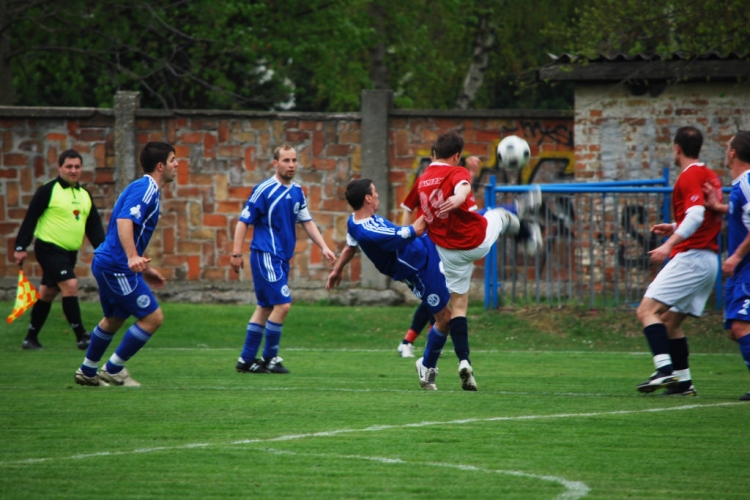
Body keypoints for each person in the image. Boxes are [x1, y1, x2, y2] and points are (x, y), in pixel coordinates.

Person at [401, 131, 542, 391]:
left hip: (448, 252)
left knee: (457, 308)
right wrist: (458, 195)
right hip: (473, 242)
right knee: (498, 215)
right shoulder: (457, 172)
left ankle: (461, 361)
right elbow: (463, 186)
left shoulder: (422, 181)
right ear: (456, 156)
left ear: (434, 154)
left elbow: (415, 211)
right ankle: (527, 234)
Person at [326, 179, 465, 390]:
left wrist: (337, 270)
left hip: (424, 248)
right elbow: (415, 229)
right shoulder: (369, 232)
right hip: (418, 271)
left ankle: (500, 216)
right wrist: (435, 205)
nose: (378, 195)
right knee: (445, 318)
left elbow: (350, 246)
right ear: (368, 198)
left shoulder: (354, 222)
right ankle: (426, 367)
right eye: (375, 191)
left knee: (458, 229)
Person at [74, 141, 178, 387]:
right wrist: (132, 258)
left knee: (114, 318)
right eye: (174, 160)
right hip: (117, 265)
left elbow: (129, 227)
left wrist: (144, 266)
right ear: (161, 166)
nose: (178, 165)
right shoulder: (146, 189)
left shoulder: (144, 188)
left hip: (108, 262)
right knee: (153, 317)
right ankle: (113, 369)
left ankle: (88, 372)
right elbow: (124, 221)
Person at [231, 144, 336, 374]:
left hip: (281, 258)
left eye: (294, 160)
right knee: (283, 305)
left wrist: (325, 247)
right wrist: (236, 253)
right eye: (286, 160)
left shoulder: (297, 191)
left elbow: (307, 221)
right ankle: (270, 358)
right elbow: (243, 221)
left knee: (266, 306)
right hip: (266, 254)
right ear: (275, 163)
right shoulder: (264, 190)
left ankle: (246, 360)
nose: (291, 165)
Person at [634, 126, 722, 396]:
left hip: (692, 257)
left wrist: (669, 244)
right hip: (708, 260)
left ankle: (664, 370)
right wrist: (674, 227)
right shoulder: (710, 175)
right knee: (671, 322)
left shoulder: (690, 176)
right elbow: (703, 216)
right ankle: (684, 383)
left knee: (646, 311)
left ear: (677, 148)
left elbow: (695, 216)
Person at [13, 149, 105, 351]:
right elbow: (31, 218)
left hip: (69, 254)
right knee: (71, 285)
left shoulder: (84, 195)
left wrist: (106, 252)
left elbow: (95, 229)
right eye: (69, 166)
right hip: (48, 249)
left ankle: (31, 338)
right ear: (60, 168)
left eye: (77, 167)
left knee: (46, 293)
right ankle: (81, 336)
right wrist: (21, 247)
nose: (73, 170)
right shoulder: (48, 190)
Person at [396, 155, 480, 358]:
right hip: (429, 245)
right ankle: (407, 342)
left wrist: (473, 175)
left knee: (438, 296)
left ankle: (426, 341)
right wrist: (406, 238)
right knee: (434, 296)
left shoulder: (452, 180)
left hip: (444, 246)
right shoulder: (427, 180)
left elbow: (462, 193)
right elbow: (408, 208)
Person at [703, 131, 750, 401]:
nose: (725, 150)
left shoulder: (747, 185)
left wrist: (735, 256)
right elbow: (742, 214)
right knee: (737, 330)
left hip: (746, 268)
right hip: (741, 270)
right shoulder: (740, 186)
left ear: (733, 153)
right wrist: (716, 206)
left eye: (727, 147)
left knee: (741, 328)